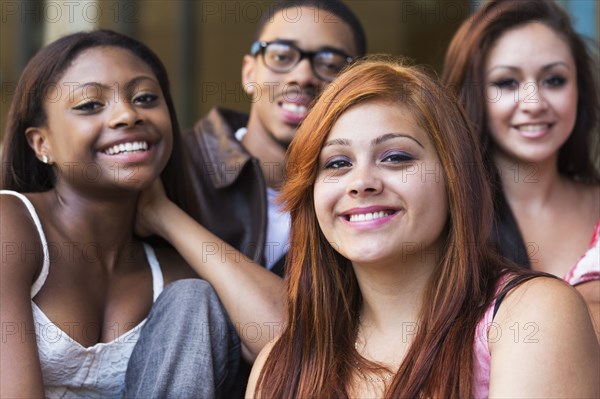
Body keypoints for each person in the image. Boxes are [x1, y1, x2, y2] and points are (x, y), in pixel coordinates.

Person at [245, 57, 599, 398]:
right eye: (337, 163)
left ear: (454, 178)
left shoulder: (531, 317)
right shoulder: (278, 368)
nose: (361, 182)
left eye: (396, 157)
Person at [0, 30, 281, 399]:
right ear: (42, 143)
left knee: (193, 298)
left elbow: (292, 347)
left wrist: (165, 215)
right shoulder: (12, 226)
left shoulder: (173, 271)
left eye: (145, 98)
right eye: (89, 104)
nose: (128, 114)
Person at [441, 0, 600, 339]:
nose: (533, 103)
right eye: (507, 83)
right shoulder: (443, 220)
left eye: (554, 80)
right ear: (474, 95)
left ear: (579, 91)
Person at [184, 0, 366, 277]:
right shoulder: (179, 168)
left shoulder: (364, 194)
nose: (302, 76)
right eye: (281, 56)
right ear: (249, 73)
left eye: (330, 64)